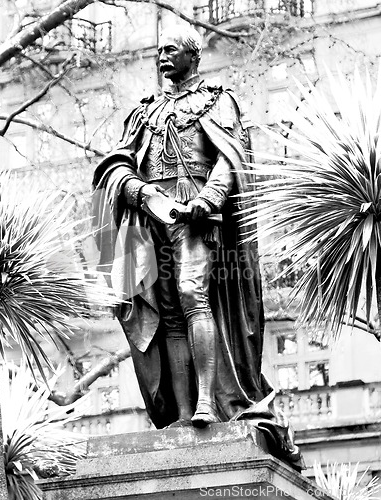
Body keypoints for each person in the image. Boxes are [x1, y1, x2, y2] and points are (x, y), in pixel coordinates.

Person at [92, 25, 303, 468]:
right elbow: (115, 166)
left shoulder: (216, 99)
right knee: (166, 311)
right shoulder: (143, 111)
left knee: (193, 294)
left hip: (199, 215)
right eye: (158, 51)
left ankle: (209, 401)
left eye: (171, 50)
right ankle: (184, 413)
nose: (162, 57)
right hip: (151, 220)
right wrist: (140, 193)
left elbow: (231, 160)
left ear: (194, 56)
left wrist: (206, 200)